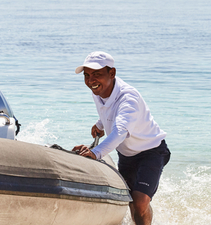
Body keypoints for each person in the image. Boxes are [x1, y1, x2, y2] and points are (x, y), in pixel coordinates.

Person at [72, 51, 170, 225]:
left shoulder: (128, 98)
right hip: (126, 155)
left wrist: (95, 153)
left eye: (96, 74)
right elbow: (109, 109)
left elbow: (120, 131)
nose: (90, 81)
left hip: (151, 151)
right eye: (86, 76)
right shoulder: (98, 90)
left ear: (112, 73)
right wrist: (101, 124)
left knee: (139, 202)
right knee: (132, 202)